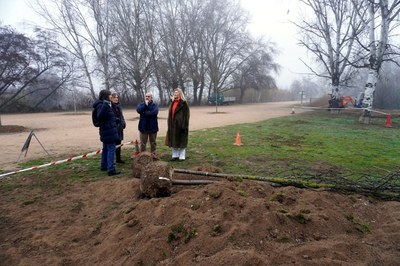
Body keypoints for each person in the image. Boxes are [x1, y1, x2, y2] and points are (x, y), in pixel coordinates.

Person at [92, 89, 120, 176]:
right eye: (110, 95)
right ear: (106, 96)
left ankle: (104, 166)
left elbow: (107, 117)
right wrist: (105, 104)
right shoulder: (102, 105)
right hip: (108, 131)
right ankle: (111, 169)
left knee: (105, 149)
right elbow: (100, 116)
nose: (111, 96)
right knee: (111, 149)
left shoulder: (106, 104)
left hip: (107, 130)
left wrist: (115, 120)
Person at [166, 88, 190, 161]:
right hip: (172, 125)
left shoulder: (184, 103)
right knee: (174, 140)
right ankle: (175, 155)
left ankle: (182, 156)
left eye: (176, 92)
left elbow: (187, 115)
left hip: (181, 125)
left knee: (182, 141)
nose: (175, 94)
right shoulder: (172, 102)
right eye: (174, 92)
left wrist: (184, 125)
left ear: (180, 93)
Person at [136, 92, 159, 157]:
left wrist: (145, 112)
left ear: (151, 97)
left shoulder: (155, 105)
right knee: (143, 143)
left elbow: (154, 113)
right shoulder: (141, 104)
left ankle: (153, 155)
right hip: (143, 127)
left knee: (153, 143)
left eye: (148, 96)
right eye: (146, 96)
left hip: (153, 127)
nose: (147, 97)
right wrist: (145, 105)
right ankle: (143, 156)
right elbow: (138, 110)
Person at [111, 91, 126, 163]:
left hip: (119, 128)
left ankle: (118, 159)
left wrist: (123, 123)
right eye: (114, 97)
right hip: (113, 128)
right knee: (112, 145)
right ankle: (110, 160)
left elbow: (121, 116)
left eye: (117, 97)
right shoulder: (110, 106)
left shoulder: (119, 106)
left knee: (118, 144)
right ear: (111, 98)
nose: (116, 99)